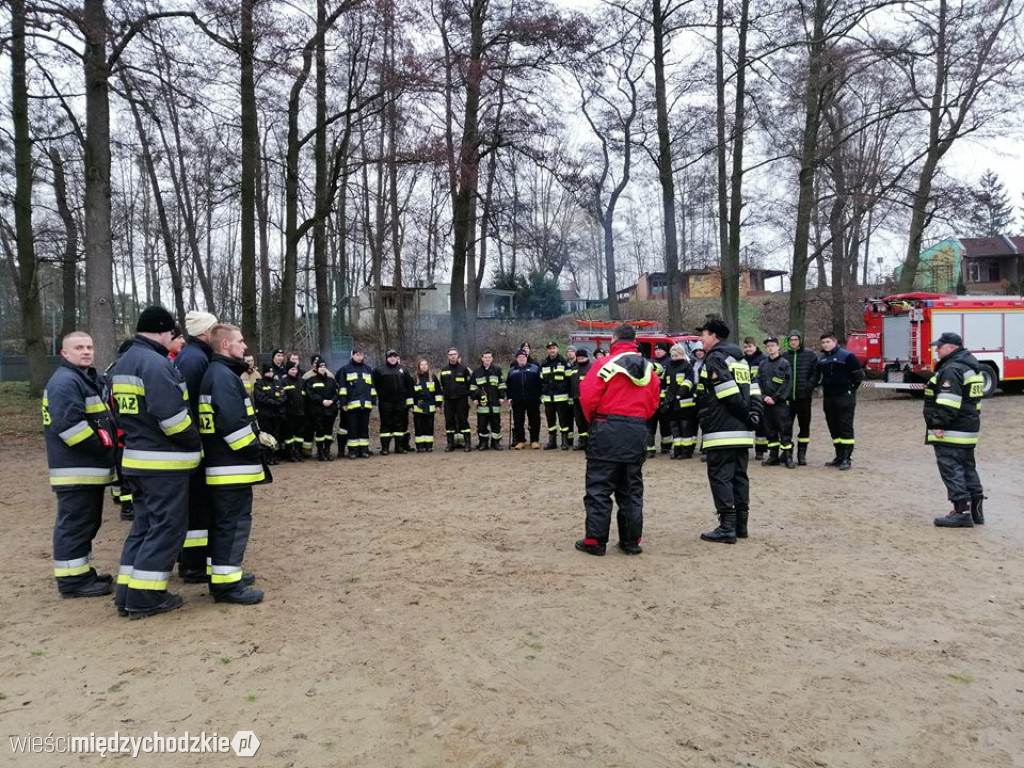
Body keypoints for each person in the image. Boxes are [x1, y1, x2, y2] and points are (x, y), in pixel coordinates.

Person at [111, 306, 202, 619]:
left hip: (136, 458)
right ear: (164, 331)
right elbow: (173, 418)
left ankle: (127, 592)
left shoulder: (125, 362)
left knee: (143, 527)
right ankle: (146, 597)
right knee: (166, 529)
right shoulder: (155, 363)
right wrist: (195, 440)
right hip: (163, 463)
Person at [575, 324, 661, 556]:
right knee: (631, 490)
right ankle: (631, 542)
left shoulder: (603, 364)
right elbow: (653, 403)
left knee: (599, 488)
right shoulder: (650, 370)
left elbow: (587, 397)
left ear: (614, 339)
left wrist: (597, 421)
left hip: (606, 428)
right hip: (636, 431)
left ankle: (595, 541)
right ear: (635, 340)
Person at [43, 331, 117, 598]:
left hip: (85, 469)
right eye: (78, 348)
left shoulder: (83, 379)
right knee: (75, 525)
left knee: (85, 524)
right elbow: (70, 427)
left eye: (89, 347)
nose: (86, 351)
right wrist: (102, 449)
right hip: (77, 468)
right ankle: (72, 582)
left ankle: (81, 573)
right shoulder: (65, 382)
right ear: (64, 353)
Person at [198, 324, 266, 604]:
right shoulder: (223, 376)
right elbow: (233, 425)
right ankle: (227, 586)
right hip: (231, 467)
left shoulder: (219, 373)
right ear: (225, 345)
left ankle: (223, 575)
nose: (244, 347)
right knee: (232, 525)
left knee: (224, 524)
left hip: (224, 466)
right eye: (240, 341)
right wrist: (257, 448)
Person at [695, 319, 760, 544]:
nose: (700, 339)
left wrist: (745, 415)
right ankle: (741, 526)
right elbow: (754, 388)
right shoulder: (740, 358)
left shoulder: (715, 358)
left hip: (721, 428)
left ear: (714, 336)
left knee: (720, 476)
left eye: (703, 334)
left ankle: (727, 528)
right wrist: (754, 416)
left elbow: (726, 391)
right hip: (741, 431)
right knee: (739, 477)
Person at [172, 309, 218, 584]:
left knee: (200, 506)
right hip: (194, 446)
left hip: (195, 444)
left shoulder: (195, 356)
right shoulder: (194, 359)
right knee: (198, 507)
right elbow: (191, 404)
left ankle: (194, 560)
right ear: (205, 332)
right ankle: (193, 564)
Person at [925, 332, 986, 527]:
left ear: (951, 348)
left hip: (952, 429)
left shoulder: (952, 369)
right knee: (968, 468)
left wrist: (938, 424)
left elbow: (948, 402)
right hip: (968, 427)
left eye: (939, 347)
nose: (936, 350)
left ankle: (962, 512)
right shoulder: (971, 367)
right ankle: (976, 512)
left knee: (952, 469)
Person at [818, 332, 864, 470]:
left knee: (845, 426)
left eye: (827, 342)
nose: (825, 345)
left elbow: (859, 376)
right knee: (833, 426)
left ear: (835, 341)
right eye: (823, 343)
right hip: (829, 397)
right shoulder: (822, 359)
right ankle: (838, 455)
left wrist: (850, 389)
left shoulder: (847, 356)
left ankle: (847, 458)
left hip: (844, 396)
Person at [757, 336, 794, 468]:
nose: (770, 348)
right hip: (766, 403)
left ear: (778, 347)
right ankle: (773, 456)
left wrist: (775, 398)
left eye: (773, 345)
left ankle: (788, 457)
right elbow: (758, 382)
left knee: (784, 429)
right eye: (768, 346)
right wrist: (764, 397)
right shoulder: (763, 364)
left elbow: (787, 383)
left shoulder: (784, 363)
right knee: (770, 430)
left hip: (780, 404)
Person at [784, 330, 820, 465]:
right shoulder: (784, 356)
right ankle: (787, 454)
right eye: (791, 340)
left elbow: (815, 373)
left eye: (795, 339)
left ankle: (802, 454)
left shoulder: (809, 355)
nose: (793, 342)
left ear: (800, 340)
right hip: (788, 398)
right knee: (786, 426)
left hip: (803, 397)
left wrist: (809, 386)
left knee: (804, 426)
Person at [373, 349, 415, 455]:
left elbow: (409, 386)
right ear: (386, 358)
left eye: (394, 356)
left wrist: (409, 402)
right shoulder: (379, 370)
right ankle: (385, 448)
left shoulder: (403, 370)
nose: (392, 358)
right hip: (385, 402)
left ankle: (399, 447)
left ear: (397, 358)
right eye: (390, 356)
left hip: (400, 402)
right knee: (386, 424)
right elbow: (374, 386)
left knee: (399, 425)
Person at [337, 347, 376, 458]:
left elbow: (372, 388)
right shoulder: (345, 370)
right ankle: (353, 451)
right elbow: (343, 388)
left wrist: (373, 401)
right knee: (353, 428)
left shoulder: (368, 369)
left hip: (366, 405)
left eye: (361, 355)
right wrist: (343, 403)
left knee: (364, 429)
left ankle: (363, 450)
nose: (359, 357)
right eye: (357, 355)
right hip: (351, 406)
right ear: (352, 356)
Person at [664, 344, 696, 459]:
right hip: (672, 402)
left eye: (676, 355)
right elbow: (665, 384)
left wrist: (679, 394)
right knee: (674, 427)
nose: (674, 358)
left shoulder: (687, 366)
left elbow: (688, 382)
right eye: (672, 355)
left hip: (685, 402)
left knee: (685, 427)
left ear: (682, 355)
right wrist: (664, 399)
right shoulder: (668, 367)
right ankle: (677, 449)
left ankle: (686, 451)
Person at [439, 347, 474, 451]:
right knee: (449, 422)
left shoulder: (464, 369)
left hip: (461, 400)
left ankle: (467, 444)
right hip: (449, 401)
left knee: (463, 421)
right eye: (450, 354)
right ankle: (450, 444)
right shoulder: (444, 370)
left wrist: (466, 394)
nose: (453, 356)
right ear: (448, 356)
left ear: (458, 356)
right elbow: (441, 386)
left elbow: (470, 385)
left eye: (454, 354)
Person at [507, 349, 542, 449]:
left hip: (533, 399)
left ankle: (534, 440)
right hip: (517, 400)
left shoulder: (535, 368)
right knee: (518, 421)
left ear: (526, 358)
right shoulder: (512, 370)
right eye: (519, 357)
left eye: (523, 357)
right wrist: (509, 397)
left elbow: (541, 383)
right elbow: (508, 385)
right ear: (517, 359)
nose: (521, 359)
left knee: (534, 420)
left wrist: (540, 395)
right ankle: (521, 440)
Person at [540, 341, 572, 449]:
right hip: (548, 398)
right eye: (549, 348)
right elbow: (541, 381)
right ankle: (552, 442)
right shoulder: (544, 363)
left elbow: (569, 381)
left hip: (561, 398)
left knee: (564, 420)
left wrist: (569, 396)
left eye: (553, 348)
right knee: (550, 421)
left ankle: (565, 442)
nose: (551, 350)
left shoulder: (564, 363)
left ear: (557, 349)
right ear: (547, 350)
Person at [472, 350, 507, 450]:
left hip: (495, 402)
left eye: (489, 357)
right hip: (482, 404)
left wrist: (501, 397)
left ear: (492, 359)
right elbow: (472, 387)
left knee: (496, 424)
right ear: (482, 358)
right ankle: (483, 443)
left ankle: (495, 443)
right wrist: (474, 398)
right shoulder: (476, 372)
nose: (487, 359)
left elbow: (502, 384)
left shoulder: (497, 370)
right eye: (485, 357)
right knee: (482, 425)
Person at [305, 359, 339, 461]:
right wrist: (322, 401)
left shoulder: (331, 380)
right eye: (320, 367)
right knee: (320, 433)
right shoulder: (311, 380)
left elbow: (336, 393)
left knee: (328, 433)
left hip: (330, 411)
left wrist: (332, 401)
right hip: (318, 411)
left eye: (324, 367)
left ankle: (327, 451)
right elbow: (311, 394)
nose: (322, 369)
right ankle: (320, 452)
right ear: (316, 368)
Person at [253, 363, 285, 465]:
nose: (270, 374)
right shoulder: (259, 384)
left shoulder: (277, 383)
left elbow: (283, 394)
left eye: (271, 372)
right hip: (265, 414)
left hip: (277, 414)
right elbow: (260, 397)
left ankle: (273, 455)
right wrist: (273, 402)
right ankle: (266, 457)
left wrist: (279, 401)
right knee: (266, 436)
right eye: (268, 372)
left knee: (275, 436)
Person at [743, 337, 768, 461]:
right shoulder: (741, 361)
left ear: (755, 346)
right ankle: (745, 448)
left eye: (750, 346)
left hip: (759, 395)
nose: (748, 349)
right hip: (745, 396)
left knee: (761, 423)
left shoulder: (763, 359)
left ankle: (760, 450)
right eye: (746, 347)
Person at [646, 341, 672, 457]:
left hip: (664, 399)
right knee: (650, 425)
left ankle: (666, 447)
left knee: (665, 425)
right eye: (656, 350)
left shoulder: (670, 363)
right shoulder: (651, 363)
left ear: (665, 351)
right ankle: (650, 449)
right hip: (652, 399)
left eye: (660, 350)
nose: (657, 351)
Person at [411, 359, 443, 451]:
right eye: (422, 365)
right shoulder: (414, 378)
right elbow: (410, 393)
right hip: (418, 407)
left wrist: (438, 405)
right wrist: (411, 405)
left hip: (430, 406)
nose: (424, 366)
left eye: (425, 364)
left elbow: (438, 392)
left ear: (428, 366)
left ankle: (429, 446)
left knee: (429, 426)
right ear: (418, 366)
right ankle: (420, 446)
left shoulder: (432, 377)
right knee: (419, 427)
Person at [280, 361, 306, 461]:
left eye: (295, 369)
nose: (294, 371)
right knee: (289, 435)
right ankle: (289, 453)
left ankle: (298, 452)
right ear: (288, 370)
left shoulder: (302, 381)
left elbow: (305, 396)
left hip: (301, 412)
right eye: (292, 369)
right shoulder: (283, 381)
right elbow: (282, 397)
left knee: (300, 434)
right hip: (289, 413)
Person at [569, 347, 593, 451]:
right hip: (576, 398)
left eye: (582, 358)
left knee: (588, 420)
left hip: (587, 399)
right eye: (578, 358)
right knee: (579, 421)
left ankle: (591, 442)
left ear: (586, 357)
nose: (580, 359)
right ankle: (583, 441)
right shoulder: (574, 368)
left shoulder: (591, 368)